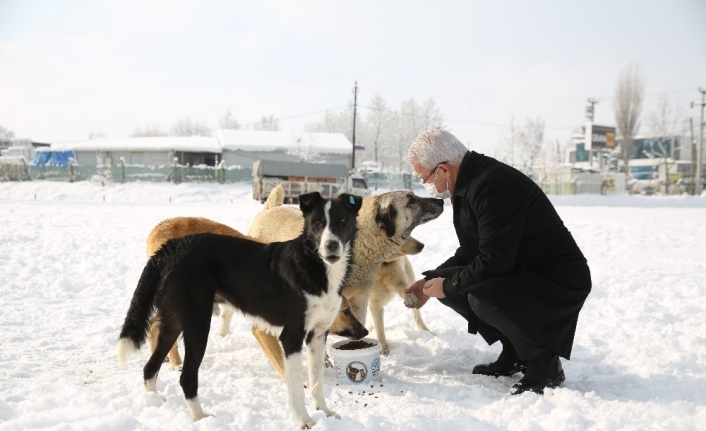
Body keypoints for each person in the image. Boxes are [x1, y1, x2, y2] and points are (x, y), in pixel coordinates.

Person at [404, 128, 591, 395]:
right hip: (522, 270)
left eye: (425, 179)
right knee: (450, 288)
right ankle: (515, 351)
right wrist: (430, 281)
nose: (427, 186)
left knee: (479, 294)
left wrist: (449, 283)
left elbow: (494, 261)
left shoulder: (492, 185)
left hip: (556, 279)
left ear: (443, 169)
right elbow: (471, 252)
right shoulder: (469, 184)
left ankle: (544, 363)